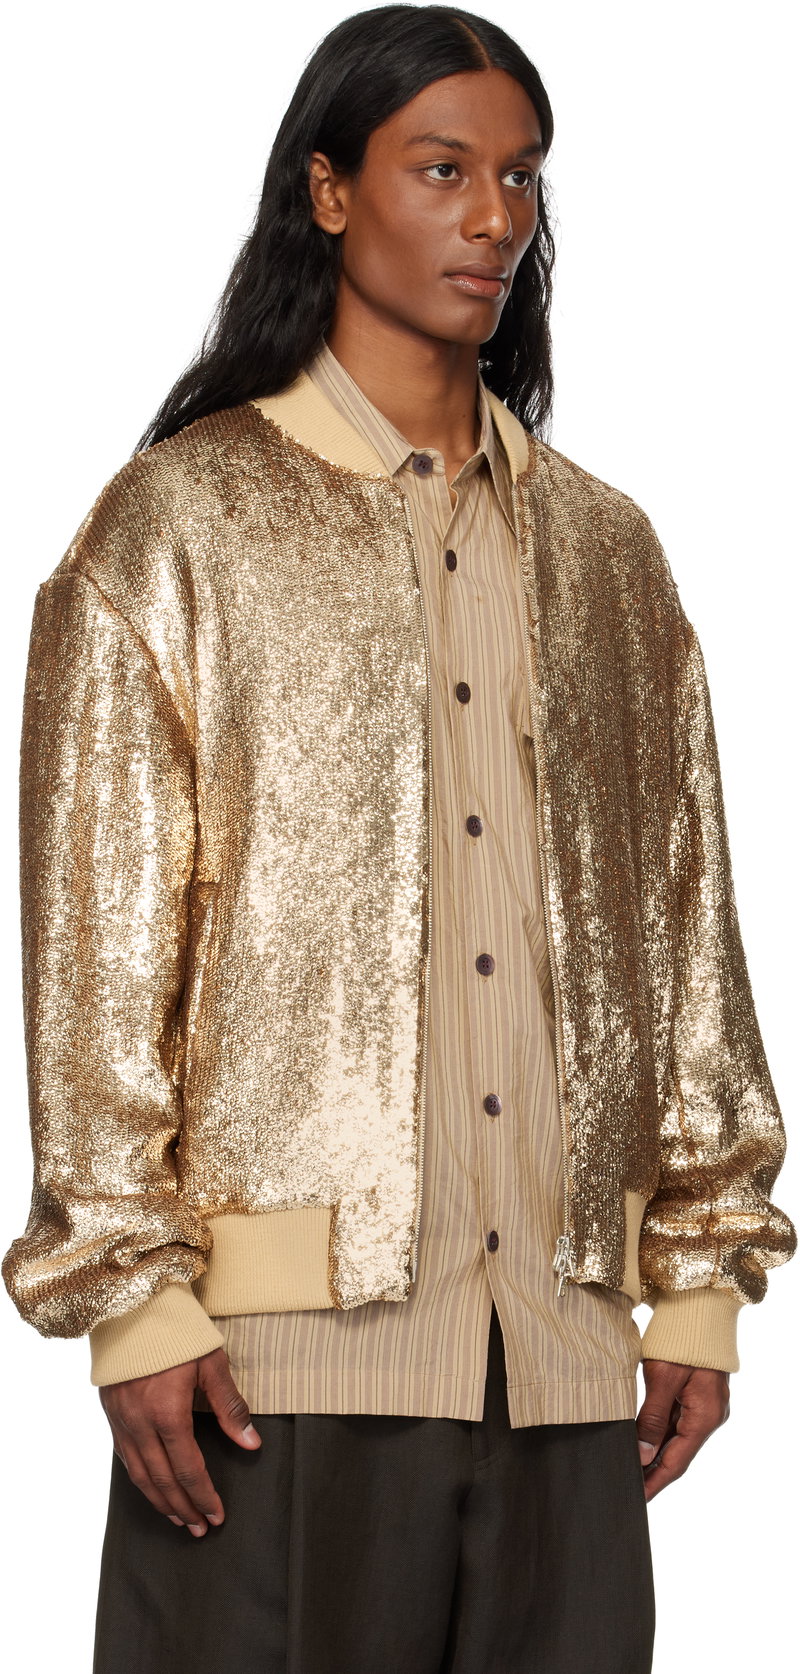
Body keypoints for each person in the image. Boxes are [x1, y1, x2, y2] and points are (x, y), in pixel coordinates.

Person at [3, 6, 795, 1672]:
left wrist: (699, 1276)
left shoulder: (612, 555)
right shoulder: (177, 529)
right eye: (443, 170)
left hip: (566, 1361)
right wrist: (131, 1299)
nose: (495, 217)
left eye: (522, 177)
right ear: (329, 190)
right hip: (266, 1373)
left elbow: (685, 930)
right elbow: (99, 948)